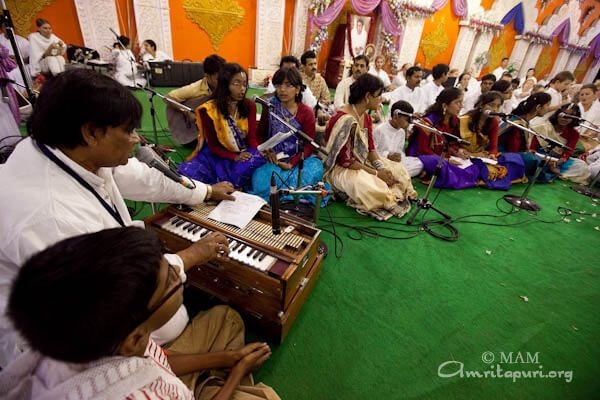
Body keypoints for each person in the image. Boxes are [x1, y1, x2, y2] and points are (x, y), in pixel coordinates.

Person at [0, 69, 237, 368]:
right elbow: (105, 300)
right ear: (92, 132)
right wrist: (190, 257)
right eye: (128, 131)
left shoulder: (67, 148)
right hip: (62, 345)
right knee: (182, 320)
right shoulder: (50, 217)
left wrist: (204, 191)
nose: (137, 139)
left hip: (95, 292)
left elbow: (144, 179)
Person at [0, 227, 279, 399]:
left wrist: (229, 358)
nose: (177, 271)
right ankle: (213, 386)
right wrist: (236, 373)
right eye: (170, 279)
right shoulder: (141, 394)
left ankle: (208, 382)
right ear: (135, 339)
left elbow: (160, 361)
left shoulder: (98, 336)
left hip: (163, 381)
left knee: (225, 317)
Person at [323, 74, 417, 221]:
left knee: (399, 171)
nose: (381, 99)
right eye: (379, 95)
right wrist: (376, 174)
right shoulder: (344, 119)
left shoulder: (365, 117)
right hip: (341, 169)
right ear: (367, 96)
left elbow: (371, 149)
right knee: (372, 188)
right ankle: (348, 191)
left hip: (361, 164)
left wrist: (381, 169)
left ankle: (382, 188)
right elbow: (346, 161)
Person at [178, 63, 266, 188]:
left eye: (245, 84)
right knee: (187, 175)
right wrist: (234, 157)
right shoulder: (209, 110)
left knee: (255, 160)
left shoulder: (249, 106)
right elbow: (213, 146)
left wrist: (259, 150)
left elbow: (252, 140)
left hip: (242, 151)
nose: (242, 88)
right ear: (225, 84)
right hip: (216, 155)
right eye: (236, 83)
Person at [251, 67, 328, 204]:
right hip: (273, 160)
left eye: (288, 85)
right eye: (279, 85)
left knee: (316, 169)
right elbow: (260, 135)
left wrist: (292, 163)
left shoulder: (306, 112)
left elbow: (309, 145)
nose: (282, 89)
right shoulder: (270, 106)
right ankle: (290, 192)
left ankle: (285, 192)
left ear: (298, 89)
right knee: (261, 182)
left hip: (297, 160)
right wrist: (267, 151)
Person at [407, 87, 482, 189]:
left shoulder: (454, 120)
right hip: (424, 156)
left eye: (461, 102)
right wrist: (445, 159)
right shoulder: (427, 123)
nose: (461, 106)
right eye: (457, 103)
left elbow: (452, 143)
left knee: (473, 166)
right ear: (445, 105)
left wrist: (457, 151)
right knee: (442, 164)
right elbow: (422, 150)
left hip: (443, 156)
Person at [458, 91, 526, 189]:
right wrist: (473, 155)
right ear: (481, 104)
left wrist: (492, 155)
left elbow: (494, 146)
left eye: (498, 106)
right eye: (491, 105)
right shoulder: (465, 119)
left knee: (515, 159)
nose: (495, 109)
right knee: (485, 170)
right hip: (463, 155)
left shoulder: (494, 122)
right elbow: (455, 143)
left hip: (481, 155)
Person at [523, 104, 590, 184]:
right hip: (539, 155)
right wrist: (543, 159)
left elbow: (568, 152)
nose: (564, 118)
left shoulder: (574, 133)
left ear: (574, 119)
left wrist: (555, 164)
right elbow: (532, 148)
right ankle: (553, 172)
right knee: (532, 160)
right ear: (558, 114)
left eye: (570, 116)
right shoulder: (544, 127)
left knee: (581, 166)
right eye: (563, 114)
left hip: (557, 159)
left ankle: (551, 170)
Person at [165, 54, 226, 132]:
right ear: (207, 76)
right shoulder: (196, 88)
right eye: (217, 79)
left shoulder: (227, 85)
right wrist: (186, 112)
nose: (221, 81)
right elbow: (167, 98)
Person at [373, 100, 424, 177]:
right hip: (381, 161)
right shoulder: (379, 130)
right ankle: (396, 174)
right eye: (407, 119)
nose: (409, 123)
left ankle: (396, 174)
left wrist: (399, 157)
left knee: (419, 163)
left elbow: (399, 152)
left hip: (395, 163)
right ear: (395, 117)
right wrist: (388, 156)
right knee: (389, 168)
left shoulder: (401, 132)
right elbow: (373, 152)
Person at [577, 84, 600, 151]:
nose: (584, 97)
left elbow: (597, 128)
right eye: (582, 94)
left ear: (595, 95)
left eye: (587, 94)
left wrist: (593, 133)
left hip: (587, 140)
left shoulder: (598, 110)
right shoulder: (574, 107)